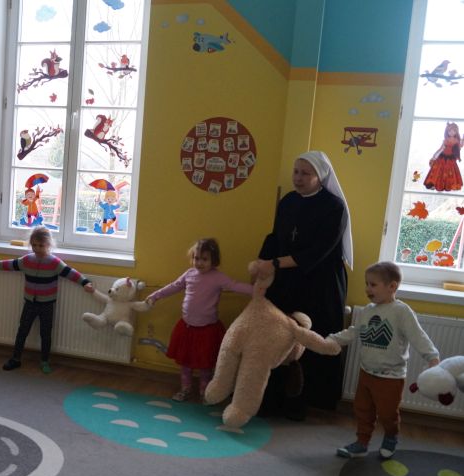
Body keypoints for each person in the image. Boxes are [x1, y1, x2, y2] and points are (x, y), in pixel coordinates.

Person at [255, 150, 353, 420]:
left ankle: (303, 403)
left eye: (305, 173)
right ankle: (271, 398)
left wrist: (275, 263)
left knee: (310, 341)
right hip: (287, 279)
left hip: (319, 283)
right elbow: (276, 237)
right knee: (279, 336)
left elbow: (318, 251)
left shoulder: (334, 207)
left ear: (320, 176)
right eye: (296, 172)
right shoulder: (288, 201)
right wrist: (262, 264)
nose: (298, 178)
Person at [328, 262, 439, 459]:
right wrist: (333, 340)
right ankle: (362, 442)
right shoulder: (368, 310)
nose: (367, 289)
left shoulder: (401, 311)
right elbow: (355, 331)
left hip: (391, 377)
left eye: (373, 285)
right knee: (362, 410)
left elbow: (418, 336)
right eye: (367, 284)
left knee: (388, 413)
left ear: (392, 287)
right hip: (366, 372)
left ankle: (390, 437)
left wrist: (432, 356)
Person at [145, 238, 253, 401]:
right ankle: (186, 389)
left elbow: (235, 285)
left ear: (213, 260)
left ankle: (205, 392)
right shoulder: (189, 274)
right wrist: (155, 296)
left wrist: (257, 290)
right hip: (187, 328)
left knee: (205, 365)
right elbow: (174, 286)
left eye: (204, 259)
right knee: (185, 363)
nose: (199, 263)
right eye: (196, 258)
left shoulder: (218, 277)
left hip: (207, 330)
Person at [0, 226, 94, 373]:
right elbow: (8, 264)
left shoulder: (54, 262)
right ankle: (15, 359)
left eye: (41, 245)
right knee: (22, 331)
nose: (37, 248)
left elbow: (71, 273)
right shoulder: (27, 260)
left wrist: (85, 282)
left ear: (48, 244)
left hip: (47, 305)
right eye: (34, 245)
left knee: (45, 333)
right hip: (30, 303)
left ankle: (44, 361)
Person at [422, 121, 462, 192]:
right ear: (447, 132)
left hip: (451, 160)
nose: (451, 132)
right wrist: (434, 157)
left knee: (450, 173)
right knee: (437, 172)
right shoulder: (446, 140)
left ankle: (448, 185)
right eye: (449, 131)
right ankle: (434, 184)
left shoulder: (457, 141)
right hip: (442, 158)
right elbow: (441, 149)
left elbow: (459, 148)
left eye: (453, 131)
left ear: (456, 132)